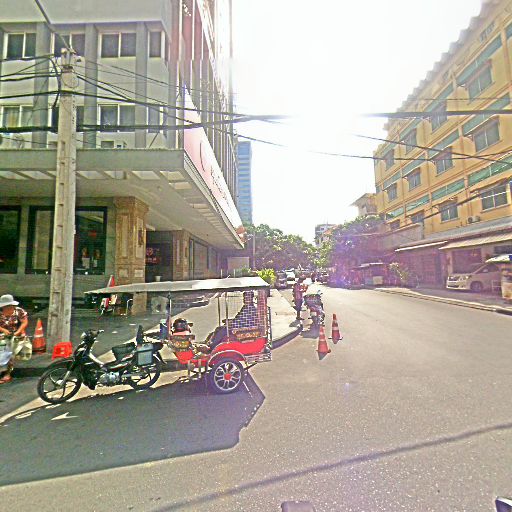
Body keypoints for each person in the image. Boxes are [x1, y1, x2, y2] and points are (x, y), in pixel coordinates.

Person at [0, 294, 28, 384]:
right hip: (2, 333)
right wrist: (3, 330)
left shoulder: (19, 311)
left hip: (14, 333)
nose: (8, 308)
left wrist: (19, 332)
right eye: (6, 307)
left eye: (10, 306)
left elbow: (24, 322)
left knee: (10, 354)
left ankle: (7, 374)